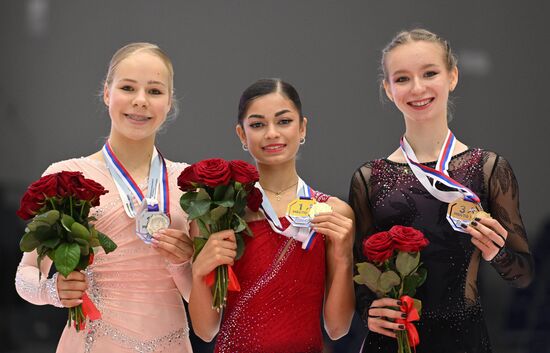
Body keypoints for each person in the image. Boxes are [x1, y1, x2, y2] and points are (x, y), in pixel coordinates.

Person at [349, 28, 534, 353]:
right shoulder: (368, 178)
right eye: (402, 78)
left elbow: (524, 276)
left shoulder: (489, 169)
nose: (417, 88)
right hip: (394, 339)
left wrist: (497, 252)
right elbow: (359, 273)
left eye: (430, 73)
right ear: (388, 89)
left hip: (464, 340)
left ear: (452, 76)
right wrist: (368, 311)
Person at [15, 43, 195, 353]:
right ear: (107, 93)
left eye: (154, 91)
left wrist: (182, 264)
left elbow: (203, 299)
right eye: (128, 87)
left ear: (169, 103)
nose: (140, 101)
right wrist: (52, 290)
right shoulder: (66, 177)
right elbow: (25, 275)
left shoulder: (189, 184)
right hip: (91, 343)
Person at [188, 78, 356, 352]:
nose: (272, 133)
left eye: (284, 121)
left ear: (302, 127)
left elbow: (338, 328)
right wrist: (197, 273)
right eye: (257, 124)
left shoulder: (333, 214)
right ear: (242, 135)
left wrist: (344, 256)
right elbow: (205, 331)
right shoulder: (218, 215)